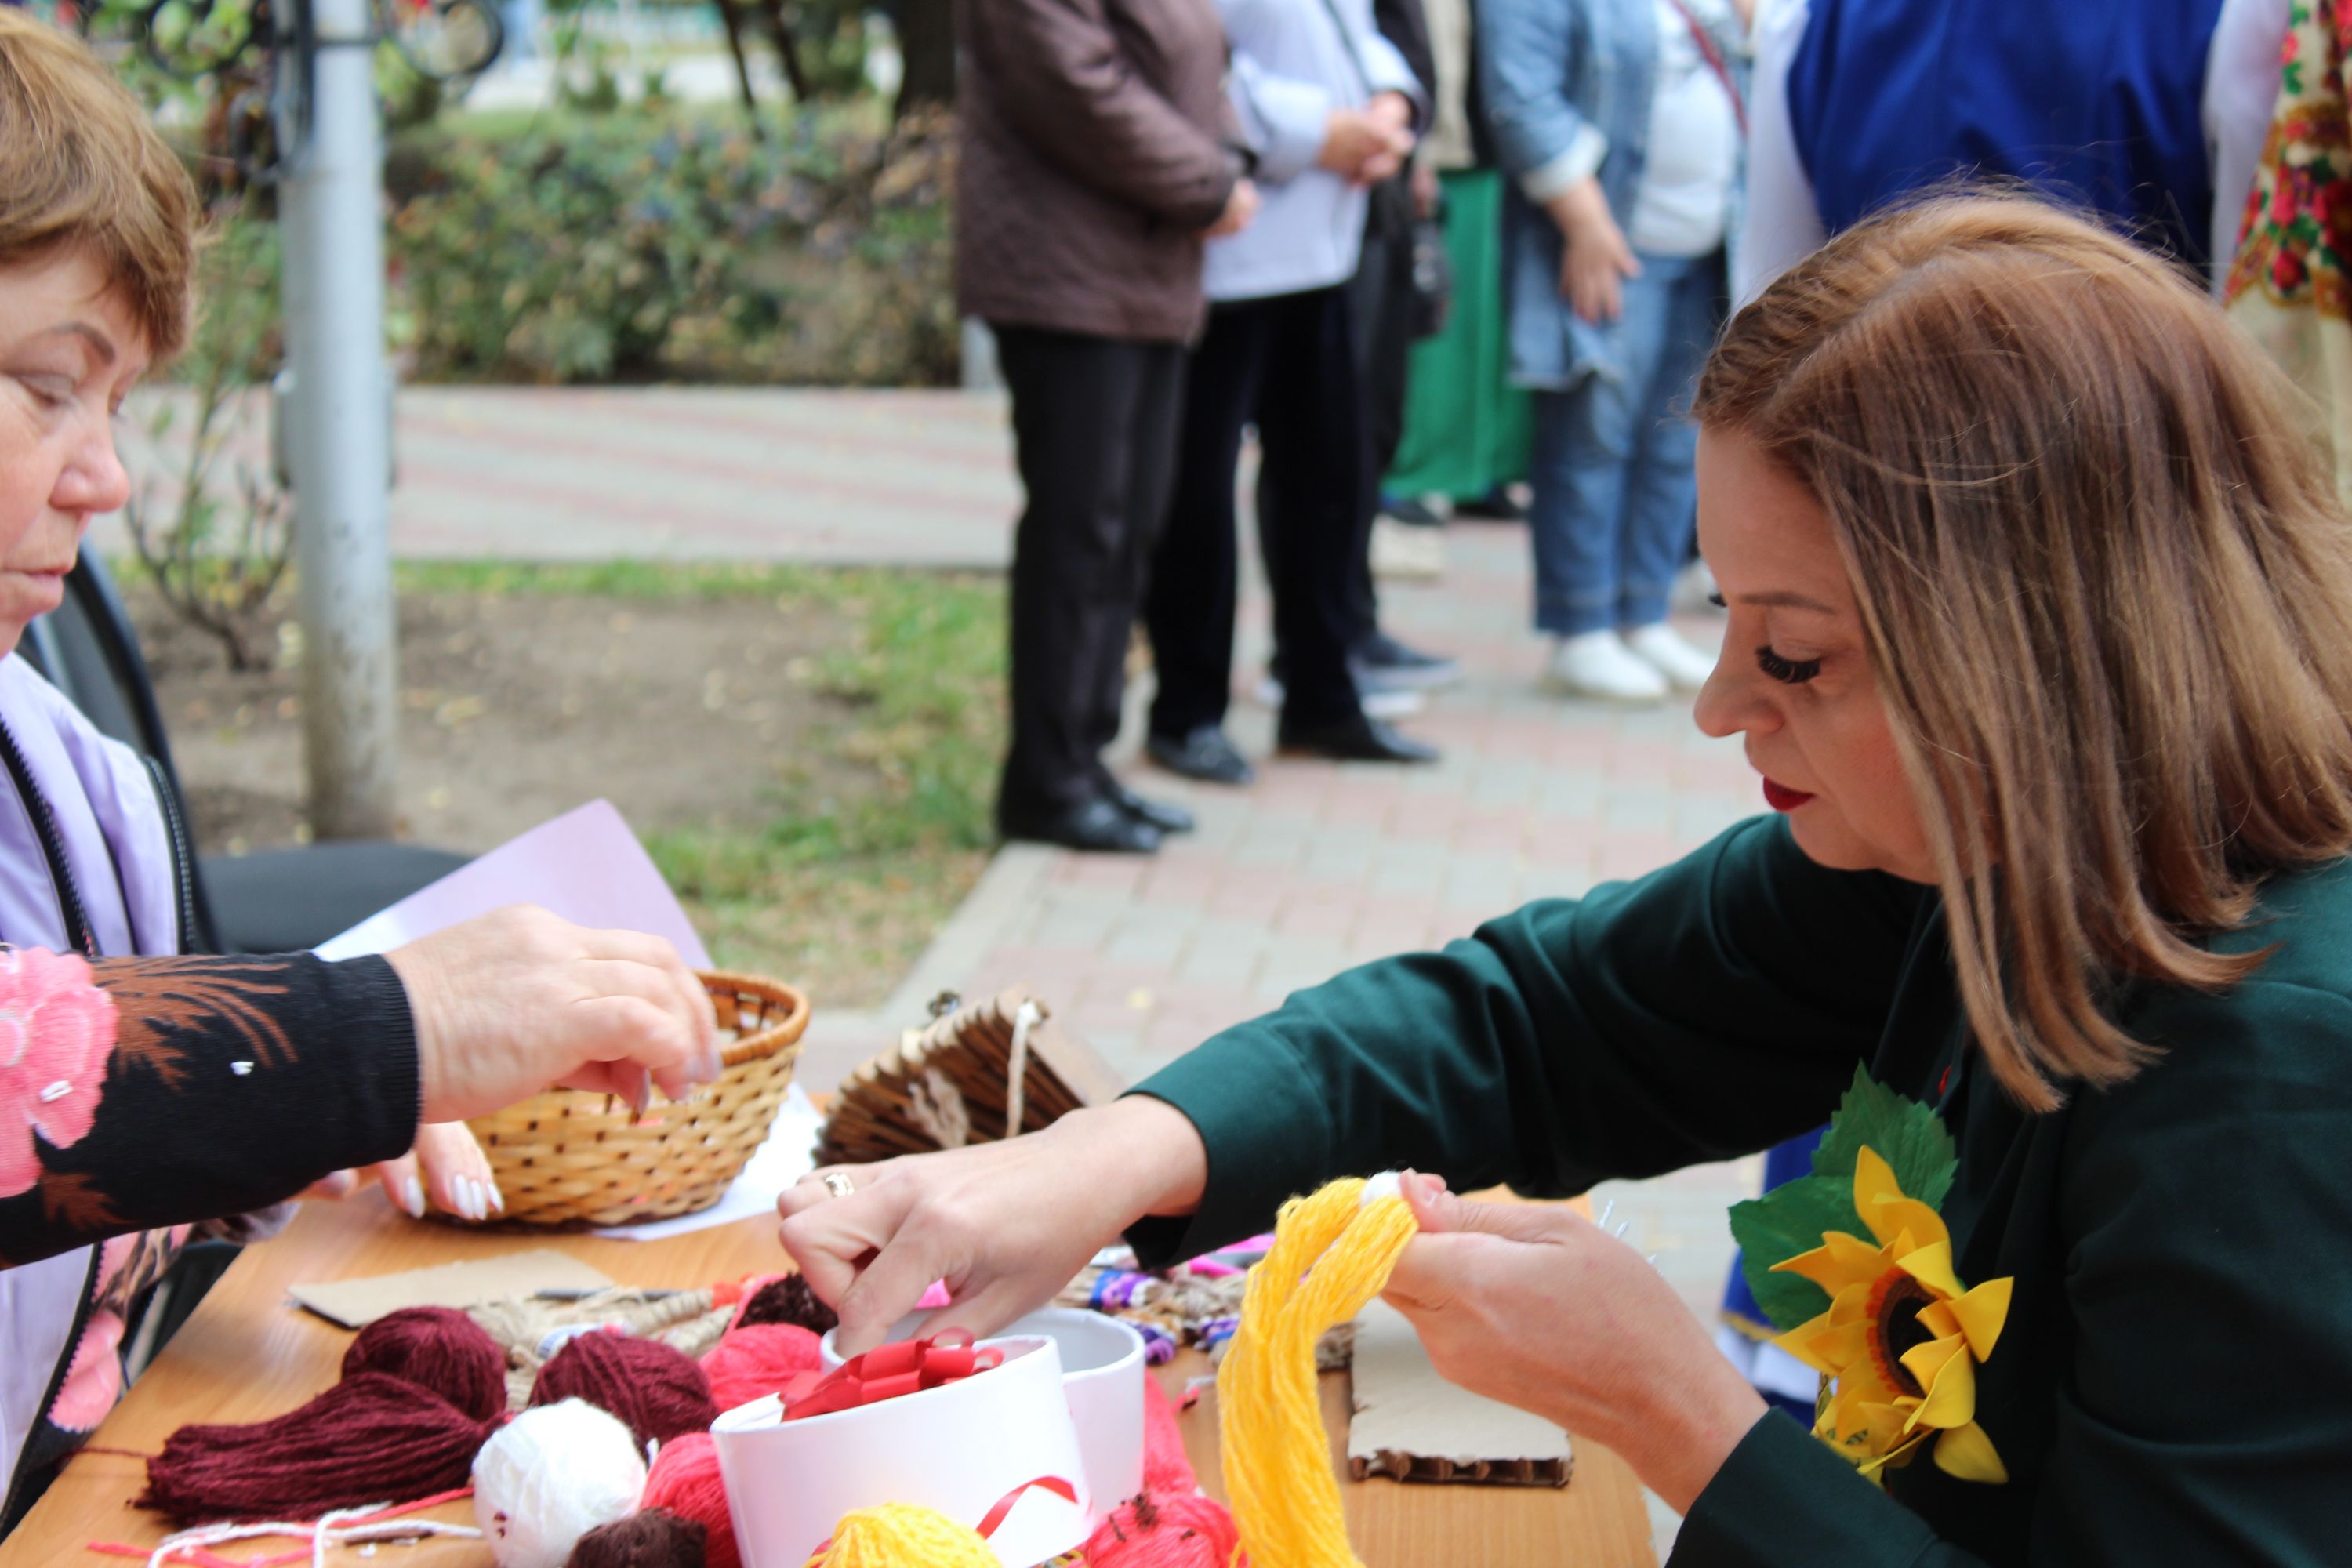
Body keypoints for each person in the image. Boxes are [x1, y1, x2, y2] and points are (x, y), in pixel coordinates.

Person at [782, 197, 2352, 1560]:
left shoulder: (2267, 1082)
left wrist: (1681, 1417)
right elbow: (1544, 1019)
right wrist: (1108, 1162)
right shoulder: (1973, 853)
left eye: (1793, 650)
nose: (1721, 702)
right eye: (1723, 612)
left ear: (2032, 659)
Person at [0, 10, 719, 1526]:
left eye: (117, 403)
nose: (105, 476)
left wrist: (285, 1122)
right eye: (47, 385)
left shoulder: (42, 740)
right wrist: (370, 1039)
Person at [960, 0, 1256, 853]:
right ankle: (1046, 784)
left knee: (1128, 529)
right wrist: (1209, 181)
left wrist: (1227, 163)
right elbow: (1077, 86)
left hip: (1147, 270)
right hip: (1065, 276)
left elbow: (1202, 65)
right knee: (1081, 531)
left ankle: (1087, 763)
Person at [1140, 0, 1439, 788]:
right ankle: (1187, 712)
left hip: (1326, 249)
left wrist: (1390, 104)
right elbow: (1189, 59)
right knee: (1199, 496)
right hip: (1231, 254)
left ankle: (1321, 698)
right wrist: (1321, 133)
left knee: (1329, 484)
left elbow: (1359, 30)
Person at [1479, 0, 1748, 704]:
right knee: (1591, 435)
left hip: (1710, 244)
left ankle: (1643, 612)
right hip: (1607, 243)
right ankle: (1581, 629)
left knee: (1676, 441)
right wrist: (1586, 221)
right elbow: (1521, 96)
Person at [1737, 0, 2289, 301]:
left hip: (1865, 471)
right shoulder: (2238, 15)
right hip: (2132, 470)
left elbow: (1768, 298)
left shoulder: (1809, 17)